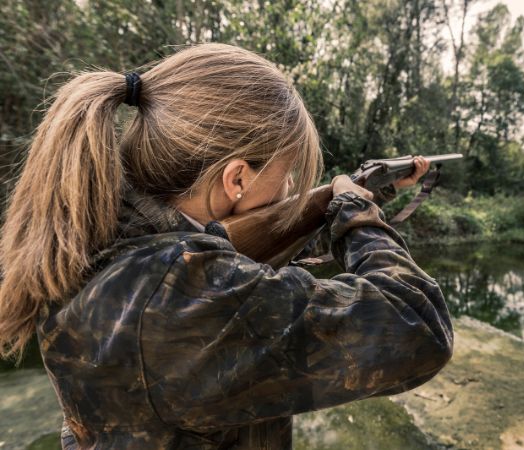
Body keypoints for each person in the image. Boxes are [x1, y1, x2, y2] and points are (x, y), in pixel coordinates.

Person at [0, 43, 453, 449]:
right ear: (236, 178)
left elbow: (251, 248)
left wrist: (369, 195)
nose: (294, 188)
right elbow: (419, 324)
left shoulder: (100, 232)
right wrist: (354, 208)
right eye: (289, 173)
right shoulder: (186, 291)